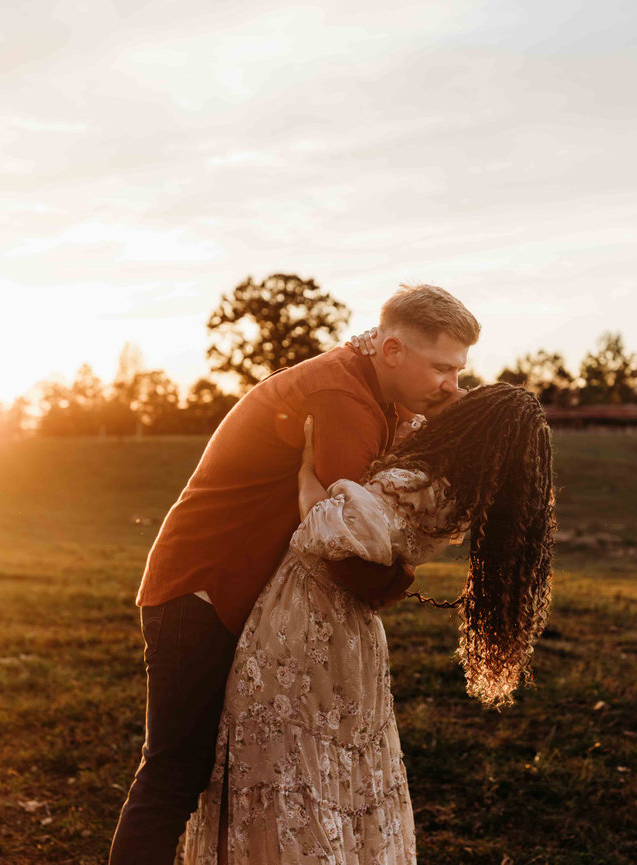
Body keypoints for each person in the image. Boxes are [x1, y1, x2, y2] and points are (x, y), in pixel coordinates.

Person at [109, 284, 480, 864]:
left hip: (229, 591)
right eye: (440, 368)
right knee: (174, 774)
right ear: (390, 350)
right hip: (203, 591)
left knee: (195, 772)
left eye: (458, 372)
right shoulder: (343, 397)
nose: (451, 386)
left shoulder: (369, 393)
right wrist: (397, 577)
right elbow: (347, 552)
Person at [181, 382, 556, 863]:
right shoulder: (458, 496)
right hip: (354, 633)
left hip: (307, 619)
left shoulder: (421, 483)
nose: (456, 391)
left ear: (478, 424)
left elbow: (325, 529)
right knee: (334, 771)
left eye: (470, 393)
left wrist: (305, 473)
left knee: (287, 761)